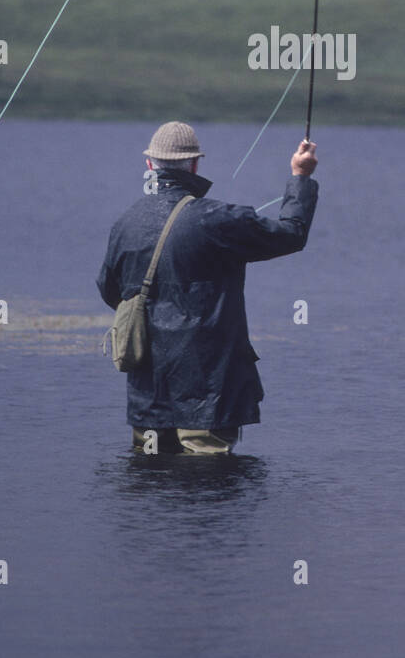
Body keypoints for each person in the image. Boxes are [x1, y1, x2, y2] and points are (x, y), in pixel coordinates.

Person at [97, 121, 318, 454]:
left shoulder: (125, 223)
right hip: (208, 392)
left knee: (148, 483)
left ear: (149, 165)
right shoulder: (217, 219)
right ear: (195, 164)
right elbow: (290, 234)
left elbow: (111, 292)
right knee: (209, 482)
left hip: (147, 391)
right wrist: (300, 177)